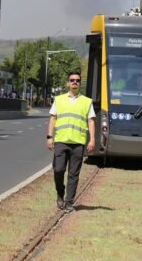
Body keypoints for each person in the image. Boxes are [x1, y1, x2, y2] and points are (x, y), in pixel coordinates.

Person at [47, 72, 96, 213]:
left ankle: (69, 202)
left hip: (78, 143)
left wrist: (92, 139)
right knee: (58, 170)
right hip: (61, 141)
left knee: (74, 174)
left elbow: (91, 121)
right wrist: (49, 137)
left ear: (80, 83)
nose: (75, 82)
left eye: (77, 80)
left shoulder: (87, 102)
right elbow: (53, 119)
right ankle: (60, 193)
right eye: (72, 80)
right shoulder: (59, 99)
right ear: (67, 83)